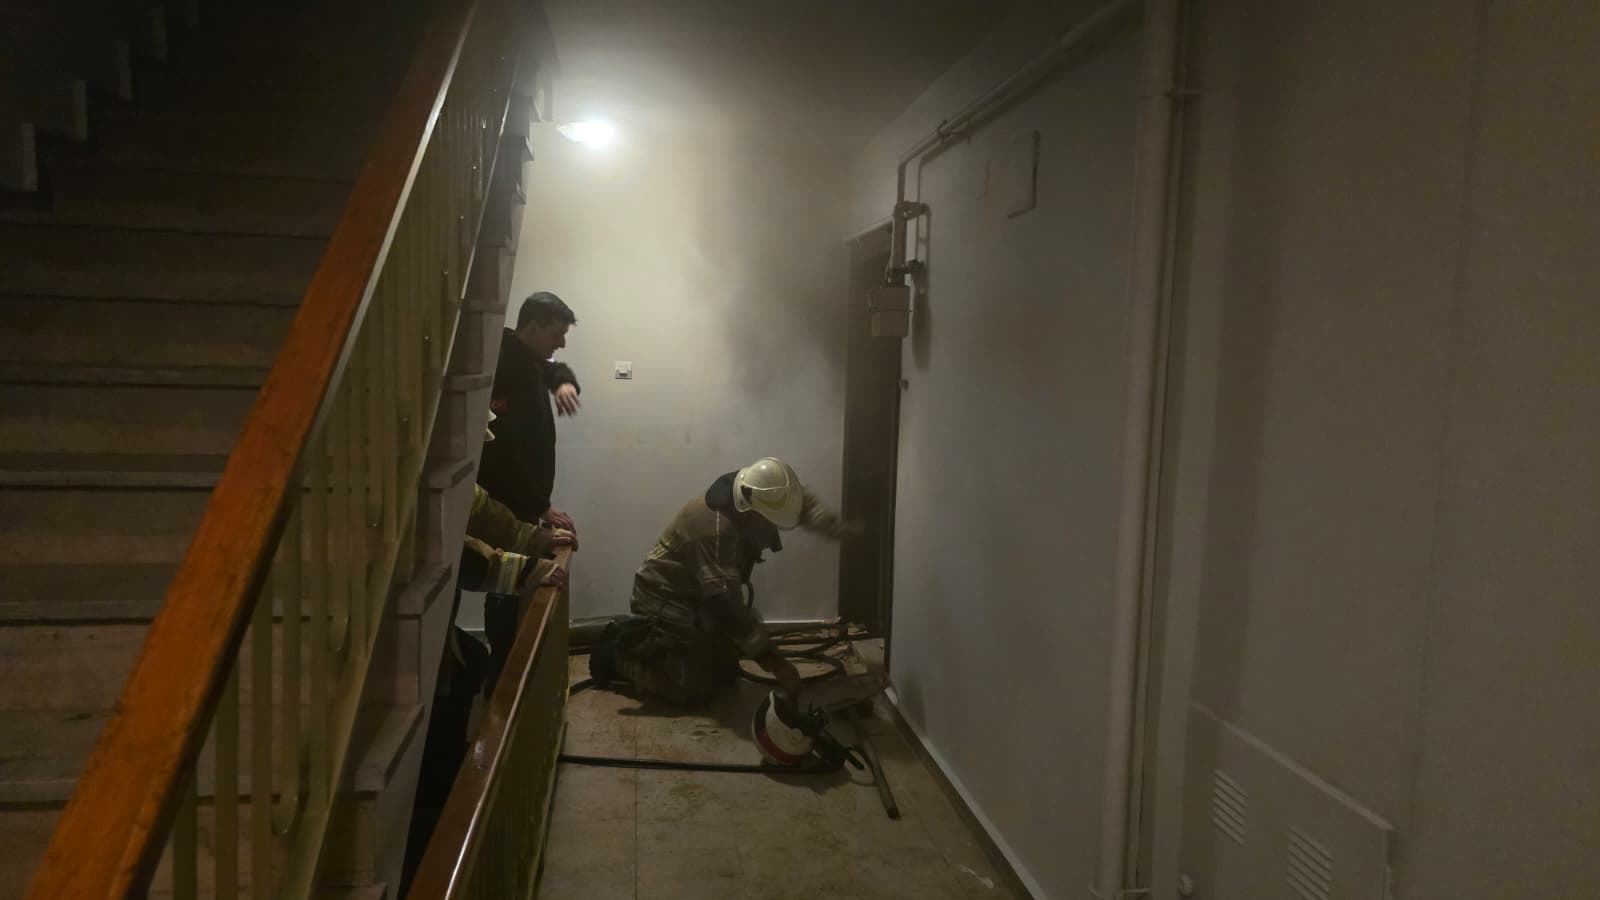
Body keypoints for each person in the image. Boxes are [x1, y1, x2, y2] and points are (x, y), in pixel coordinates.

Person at [592, 457, 847, 707]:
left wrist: (833, 525)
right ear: (753, 514)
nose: (773, 530)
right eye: (770, 524)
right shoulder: (715, 532)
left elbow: (791, 500)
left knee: (725, 675)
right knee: (693, 691)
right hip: (664, 595)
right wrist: (775, 663)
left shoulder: (754, 486)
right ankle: (618, 655)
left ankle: (680, 649)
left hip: (699, 592)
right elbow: (726, 606)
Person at [477, 291, 581, 531]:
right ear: (534, 327)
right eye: (556, 334)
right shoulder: (502, 367)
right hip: (504, 508)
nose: (562, 343)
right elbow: (503, 453)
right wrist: (541, 506)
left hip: (525, 505)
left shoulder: (527, 356)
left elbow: (554, 369)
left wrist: (564, 383)